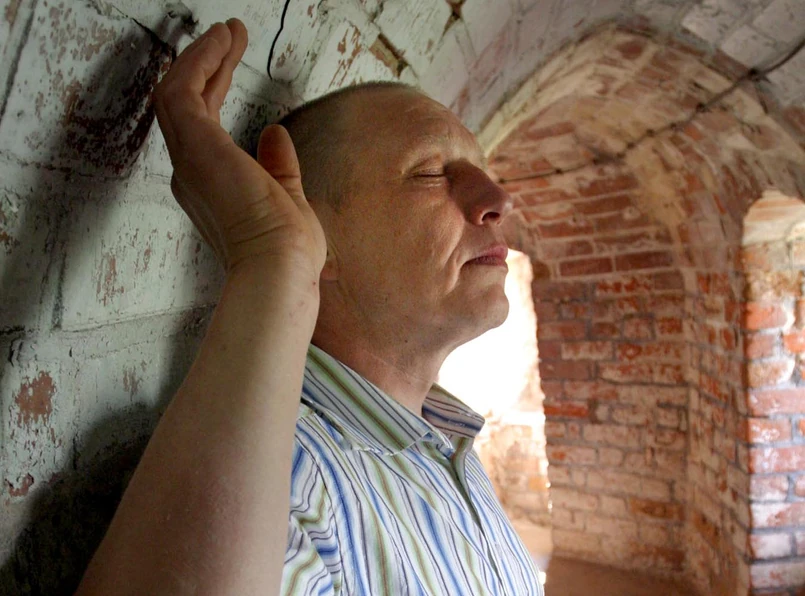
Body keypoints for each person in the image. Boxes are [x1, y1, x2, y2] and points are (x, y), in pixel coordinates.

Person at [75, 18, 543, 596]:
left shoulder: (448, 443)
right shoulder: (293, 483)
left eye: (482, 171)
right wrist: (271, 257)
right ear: (318, 236)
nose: (498, 199)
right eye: (429, 174)